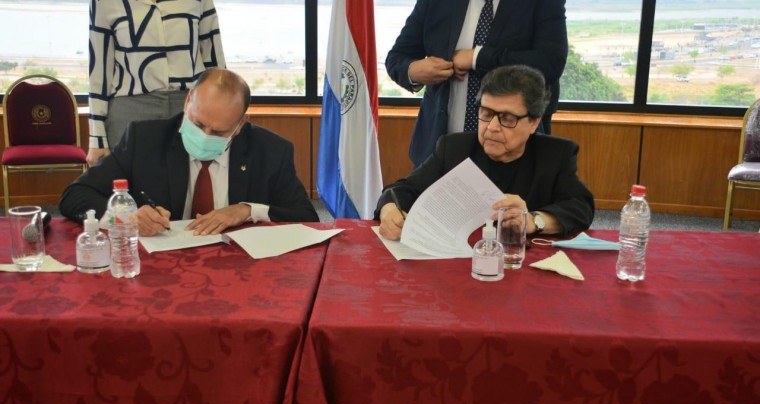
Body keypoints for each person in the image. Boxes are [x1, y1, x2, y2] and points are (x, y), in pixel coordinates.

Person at [60, 68, 318, 236]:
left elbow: (307, 218)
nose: (205, 136)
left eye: (218, 132)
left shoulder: (270, 150)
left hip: (239, 272)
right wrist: (125, 218)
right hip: (161, 271)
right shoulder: (144, 139)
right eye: (197, 124)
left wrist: (246, 210)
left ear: (240, 125)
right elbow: (74, 195)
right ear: (187, 101)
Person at [376, 65, 593, 240]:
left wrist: (534, 221)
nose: (492, 127)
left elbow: (580, 207)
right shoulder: (454, 148)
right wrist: (389, 211)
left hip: (520, 262)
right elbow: (401, 190)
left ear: (534, 123)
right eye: (486, 114)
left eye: (508, 118)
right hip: (458, 260)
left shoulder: (555, 155)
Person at [385, 0, 568, 167]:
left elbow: (550, 63)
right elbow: (396, 58)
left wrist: (476, 57)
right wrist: (414, 71)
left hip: (512, 156)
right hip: (437, 150)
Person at [86, 0, 226, 166]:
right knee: (130, 188)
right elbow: (99, 72)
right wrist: (97, 139)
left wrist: (223, 116)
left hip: (189, 111)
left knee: (189, 187)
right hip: (129, 113)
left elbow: (215, 62)